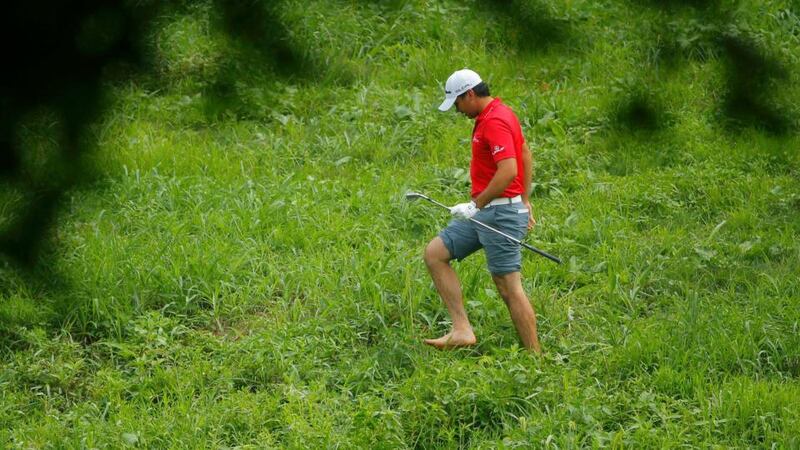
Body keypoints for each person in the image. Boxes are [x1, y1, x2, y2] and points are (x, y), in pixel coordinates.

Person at [423, 68, 541, 353]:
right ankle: (462, 330)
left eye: (458, 103)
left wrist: (477, 204)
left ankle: (536, 358)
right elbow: (524, 152)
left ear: (470, 94)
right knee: (435, 253)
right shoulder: (498, 113)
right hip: (488, 213)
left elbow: (509, 169)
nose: (458, 111)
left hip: (498, 215)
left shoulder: (495, 121)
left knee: (508, 287)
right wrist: (524, 200)